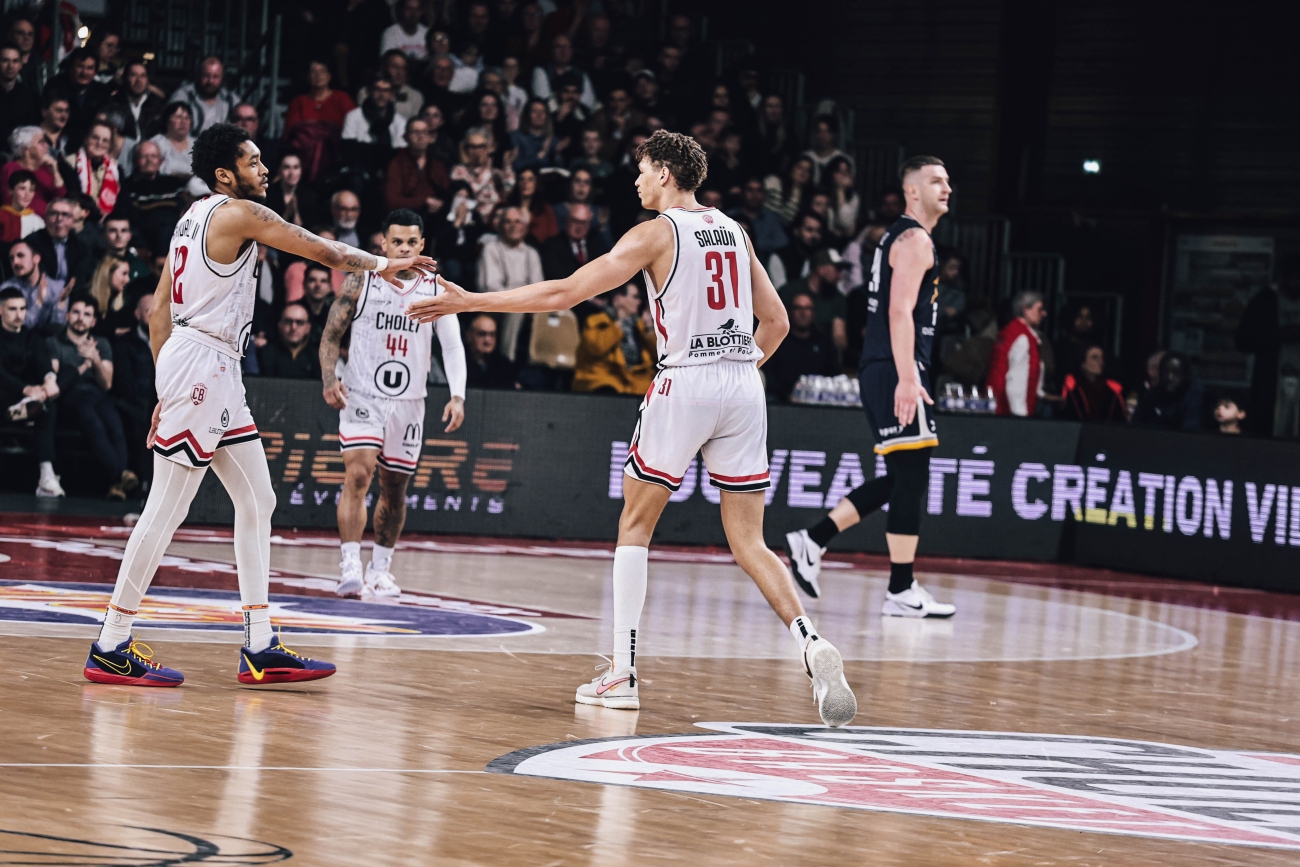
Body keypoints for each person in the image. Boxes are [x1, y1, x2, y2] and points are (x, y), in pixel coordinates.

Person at [408, 129, 857, 727]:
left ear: (666, 174)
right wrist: (735, 370)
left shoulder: (655, 233)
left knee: (636, 522)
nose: (637, 180)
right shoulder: (734, 230)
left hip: (687, 381)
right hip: (744, 385)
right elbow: (774, 323)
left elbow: (566, 291)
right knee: (750, 540)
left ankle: (621, 672)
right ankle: (809, 640)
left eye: (643, 171)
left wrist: (469, 302)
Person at [83, 122, 434, 687]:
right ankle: (110, 641)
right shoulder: (237, 212)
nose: (265, 168)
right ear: (227, 174)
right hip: (202, 363)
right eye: (254, 161)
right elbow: (317, 247)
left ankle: (259, 644)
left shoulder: (188, 218)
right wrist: (381, 264)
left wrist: (163, 385)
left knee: (259, 499)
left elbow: (157, 314)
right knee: (166, 510)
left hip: (204, 365)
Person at [783, 155, 956, 620]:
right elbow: (899, 312)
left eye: (948, 181)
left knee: (903, 476)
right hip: (895, 366)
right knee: (913, 475)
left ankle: (813, 539)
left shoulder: (896, 236)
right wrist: (907, 375)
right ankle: (901, 589)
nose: (947, 188)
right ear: (912, 191)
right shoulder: (916, 239)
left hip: (883, 365)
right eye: (936, 181)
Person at [321, 209, 467, 597]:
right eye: (396, 241)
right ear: (382, 244)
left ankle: (380, 569)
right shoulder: (361, 281)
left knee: (395, 488)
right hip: (362, 393)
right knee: (358, 474)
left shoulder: (435, 288)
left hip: (409, 402)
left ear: (422, 246)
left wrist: (458, 394)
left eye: (411, 242)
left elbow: (451, 345)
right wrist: (329, 377)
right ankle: (350, 564)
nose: (403, 248)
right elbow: (331, 334)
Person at [45, 295, 136, 498]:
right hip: (70, 397)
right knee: (93, 422)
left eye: (87, 314)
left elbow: (107, 385)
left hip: (96, 395)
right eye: (76, 312)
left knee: (115, 425)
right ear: (67, 315)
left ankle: (117, 484)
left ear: (93, 321)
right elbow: (56, 382)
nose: (81, 318)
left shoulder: (101, 344)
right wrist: (82, 365)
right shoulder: (54, 342)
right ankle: (121, 474)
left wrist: (95, 359)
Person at [0, 286, 62, 496]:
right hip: (7, 395)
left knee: (49, 408)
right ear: (1, 310)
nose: (19, 315)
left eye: (23, 309)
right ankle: (18, 410)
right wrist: (26, 389)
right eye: (12, 309)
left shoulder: (31, 336)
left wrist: (49, 380)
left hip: (29, 398)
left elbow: (42, 361)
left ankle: (47, 474)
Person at [477, 205, 543, 359]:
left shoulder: (531, 254)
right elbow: (490, 287)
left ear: (525, 227)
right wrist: (521, 298)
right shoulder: (491, 249)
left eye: (518, 222)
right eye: (508, 222)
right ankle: (507, 361)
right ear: (500, 226)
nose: (513, 226)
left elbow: (539, 288)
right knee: (515, 310)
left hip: (528, 306)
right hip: (495, 306)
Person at [571, 281, 655, 394]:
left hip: (636, 382)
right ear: (619, 299)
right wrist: (618, 325)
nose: (639, 302)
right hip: (603, 380)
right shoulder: (596, 322)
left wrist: (649, 329)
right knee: (608, 391)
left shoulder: (640, 326)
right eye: (635, 297)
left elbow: (658, 355)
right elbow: (597, 348)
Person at [763, 290, 839, 402]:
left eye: (807, 309)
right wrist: (786, 394)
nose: (803, 313)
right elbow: (768, 374)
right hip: (781, 401)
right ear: (789, 312)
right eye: (798, 308)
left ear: (813, 313)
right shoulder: (778, 340)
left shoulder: (823, 342)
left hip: (819, 401)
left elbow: (834, 374)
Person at [987, 290, 1047, 417]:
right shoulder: (1022, 338)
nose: (1044, 313)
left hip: (996, 406)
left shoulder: (1009, 332)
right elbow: (1016, 381)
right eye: (1039, 309)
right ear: (1025, 310)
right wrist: (1020, 417)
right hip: (1008, 411)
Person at [778, 247, 848, 355]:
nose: (840, 275)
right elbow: (777, 326)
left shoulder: (837, 298)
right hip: (787, 350)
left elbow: (839, 337)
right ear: (821, 269)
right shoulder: (791, 291)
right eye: (837, 269)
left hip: (820, 353)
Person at [120, 140, 186, 255]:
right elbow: (131, 223)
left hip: (177, 243)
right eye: (144, 156)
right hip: (146, 246)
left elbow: (186, 212)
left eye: (153, 156)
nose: (149, 160)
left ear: (160, 161)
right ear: (136, 161)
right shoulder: (128, 187)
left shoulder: (174, 184)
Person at [2, 240, 68, 332]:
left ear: (36, 259)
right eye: (11, 258)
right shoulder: (6, 289)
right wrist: (38, 303)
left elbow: (57, 329)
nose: (15, 262)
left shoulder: (56, 288)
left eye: (20, 256)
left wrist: (61, 305)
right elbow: (17, 327)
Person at [2, 125, 68, 216]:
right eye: (41, 142)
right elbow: (10, 203)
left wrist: (55, 171)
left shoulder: (47, 169)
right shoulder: (10, 168)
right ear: (25, 149)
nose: (47, 146)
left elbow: (61, 199)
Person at [1132, 350, 1204, 431]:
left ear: (1185, 376)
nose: (1170, 377)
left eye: (1176, 373)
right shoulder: (1151, 396)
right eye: (1166, 372)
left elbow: (1190, 430)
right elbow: (1137, 426)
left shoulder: (1195, 396)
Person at [27, 196, 91, 286]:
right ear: (46, 219)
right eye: (54, 214)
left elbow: (79, 282)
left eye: (65, 215)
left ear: (73, 221)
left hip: (71, 296)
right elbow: (38, 281)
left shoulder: (81, 246)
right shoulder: (32, 243)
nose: (59, 219)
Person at [65, 120, 121, 218]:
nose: (99, 143)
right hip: (80, 219)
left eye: (105, 140)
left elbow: (122, 201)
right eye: (95, 138)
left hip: (108, 221)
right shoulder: (69, 163)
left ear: (110, 145)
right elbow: (73, 197)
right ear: (86, 139)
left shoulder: (116, 169)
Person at [727, 177, 787, 264]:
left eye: (759, 190)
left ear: (764, 195)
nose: (754, 195)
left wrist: (754, 244)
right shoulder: (729, 216)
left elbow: (782, 243)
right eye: (750, 190)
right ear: (743, 193)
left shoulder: (772, 219)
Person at [168, 56, 236, 133]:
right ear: (199, 75)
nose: (210, 81)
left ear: (222, 78)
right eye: (206, 75)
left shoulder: (230, 99)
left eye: (215, 76)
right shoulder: (183, 96)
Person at [541, 202, 608, 279]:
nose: (579, 227)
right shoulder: (551, 246)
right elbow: (556, 277)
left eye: (583, 222)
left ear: (589, 224)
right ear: (566, 221)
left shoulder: (597, 245)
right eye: (575, 221)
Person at [1059, 345, 1125, 422]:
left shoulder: (1112, 389)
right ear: (1083, 364)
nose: (1100, 362)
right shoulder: (1072, 386)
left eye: (1102, 358)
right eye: (1094, 358)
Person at [257, 302, 320, 378]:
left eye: (299, 322)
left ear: (308, 328)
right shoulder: (265, 354)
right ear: (280, 325)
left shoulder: (318, 357)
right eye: (288, 321)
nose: (293, 327)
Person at [361, 50, 424, 120]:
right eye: (395, 67)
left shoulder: (415, 96)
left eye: (403, 68)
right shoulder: (366, 92)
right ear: (384, 67)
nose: (400, 72)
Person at [109, 60, 164, 141]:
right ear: (125, 78)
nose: (138, 80)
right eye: (133, 75)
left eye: (143, 76)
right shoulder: (114, 104)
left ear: (147, 80)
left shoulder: (157, 105)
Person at [767, 211, 822, 291]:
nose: (814, 235)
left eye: (818, 231)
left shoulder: (822, 257)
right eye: (809, 230)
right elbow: (782, 291)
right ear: (796, 231)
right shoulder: (779, 257)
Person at [265, 150, 320, 227]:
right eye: (287, 167)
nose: (292, 173)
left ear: (301, 170)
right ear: (279, 170)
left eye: (296, 167)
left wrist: (296, 214)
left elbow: (313, 228)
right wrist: (287, 213)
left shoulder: (310, 196)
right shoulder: (268, 194)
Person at [463, 313, 517, 388]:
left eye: (492, 335)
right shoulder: (458, 362)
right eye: (482, 334)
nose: (487, 340)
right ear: (469, 336)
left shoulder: (504, 366)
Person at [1, 42, 38, 147]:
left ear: (21, 64)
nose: (10, 66)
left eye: (15, 61)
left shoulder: (30, 97)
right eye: (5, 60)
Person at [147, 102, 195, 177]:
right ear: (167, 121)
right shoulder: (155, 144)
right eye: (178, 117)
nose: (183, 122)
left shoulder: (198, 145)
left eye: (187, 118)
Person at [1, 169, 44, 241]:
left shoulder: (37, 222)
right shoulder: (2, 216)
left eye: (31, 190)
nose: (27, 195)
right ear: (10, 191)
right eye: (22, 188)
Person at [300, 263, 336, 338]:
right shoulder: (291, 313)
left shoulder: (336, 316)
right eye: (312, 280)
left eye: (323, 281)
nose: (318, 285)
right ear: (304, 284)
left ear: (330, 287)